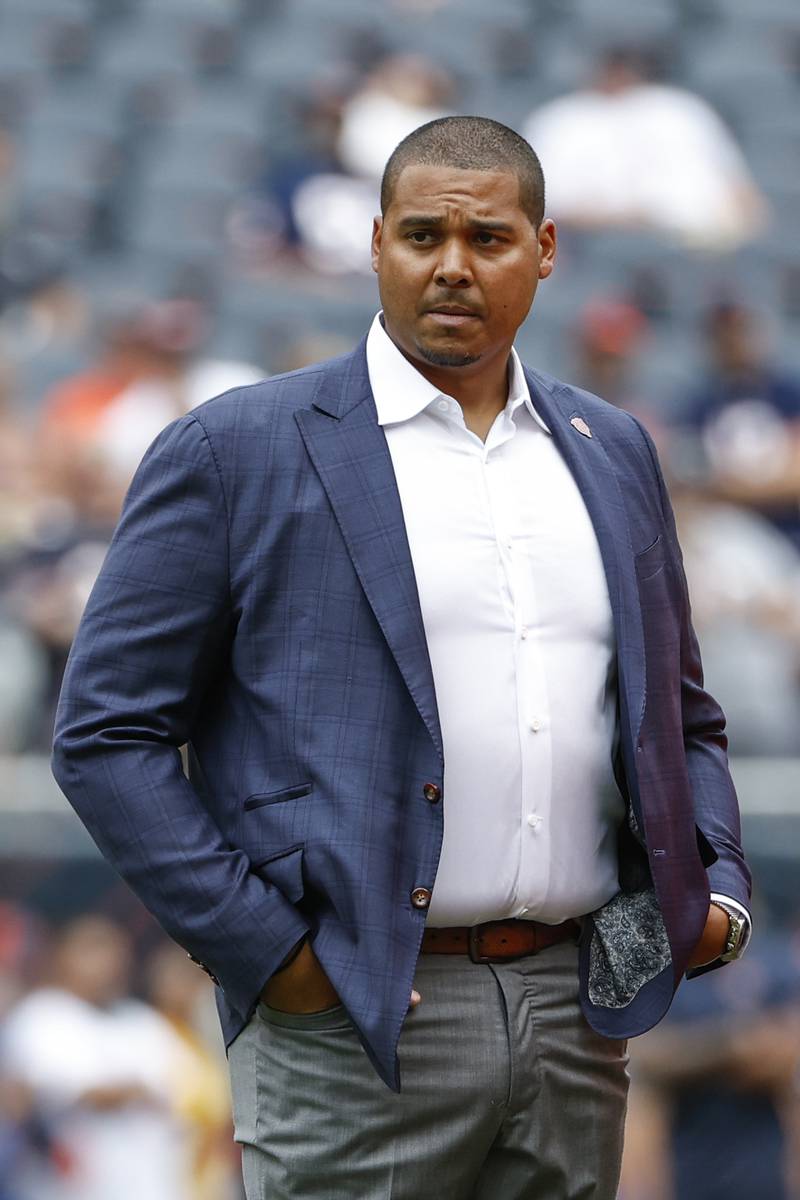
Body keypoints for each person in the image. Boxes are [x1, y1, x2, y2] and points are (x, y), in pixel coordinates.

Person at [51, 117, 751, 1199]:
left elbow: (681, 717)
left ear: (546, 249)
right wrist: (270, 955)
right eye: (422, 235)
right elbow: (105, 735)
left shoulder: (609, 450)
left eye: (488, 238)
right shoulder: (236, 447)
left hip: (574, 1014)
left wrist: (714, 893)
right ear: (375, 243)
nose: (452, 266)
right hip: (355, 1014)